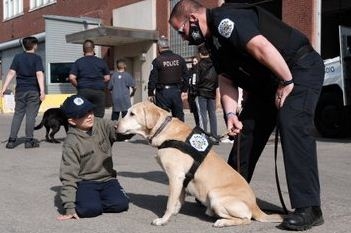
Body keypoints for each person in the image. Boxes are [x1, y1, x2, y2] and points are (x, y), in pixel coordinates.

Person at [169, 0, 324, 231]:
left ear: (192, 19)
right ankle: (226, 190)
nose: (182, 38)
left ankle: (309, 207)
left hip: (298, 68)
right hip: (268, 82)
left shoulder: (225, 20)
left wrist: (287, 80)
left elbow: (261, 47)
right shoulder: (212, 41)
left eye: (180, 31)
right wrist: (231, 113)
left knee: (291, 121)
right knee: (246, 130)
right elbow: (226, 78)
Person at [57, 95, 132, 220]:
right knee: (88, 210)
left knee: (121, 204)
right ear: (72, 121)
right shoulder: (71, 142)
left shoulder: (101, 123)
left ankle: (93, 201)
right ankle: (87, 202)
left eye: (90, 111)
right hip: (86, 182)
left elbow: (117, 129)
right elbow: (68, 175)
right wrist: (69, 206)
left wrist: (128, 127)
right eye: (82, 115)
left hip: (108, 179)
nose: (89, 116)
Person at [1, 36, 45, 149]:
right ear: (34, 45)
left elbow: (11, 73)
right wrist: (42, 90)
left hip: (20, 91)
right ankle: (29, 141)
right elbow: (39, 74)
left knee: (18, 115)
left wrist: (3, 88)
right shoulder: (37, 58)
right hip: (33, 91)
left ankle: (11, 141)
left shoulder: (18, 57)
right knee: (31, 116)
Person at [147, 35, 189, 121]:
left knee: (163, 119)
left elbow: (153, 79)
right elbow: (186, 76)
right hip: (176, 92)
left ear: (159, 47)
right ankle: (180, 133)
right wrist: (184, 90)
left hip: (163, 93)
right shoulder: (179, 59)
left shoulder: (157, 61)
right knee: (179, 118)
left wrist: (150, 93)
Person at [69, 40, 110, 118]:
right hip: (98, 91)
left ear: (83, 50)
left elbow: (72, 77)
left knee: (83, 115)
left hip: (83, 91)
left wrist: (78, 86)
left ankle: (85, 129)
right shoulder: (101, 62)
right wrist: (100, 82)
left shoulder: (78, 62)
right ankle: (96, 129)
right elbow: (107, 77)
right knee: (98, 117)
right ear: (93, 49)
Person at [195, 45, 219, 144]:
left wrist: (194, 91)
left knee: (202, 114)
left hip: (201, 92)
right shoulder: (215, 65)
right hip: (212, 92)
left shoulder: (199, 65)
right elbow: (217, 79)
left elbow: (195, 80)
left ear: (200, 54)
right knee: (212, 114)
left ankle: (203, 135)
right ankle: (214, 136)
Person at [188, 56, 200, 126]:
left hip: (197, 93)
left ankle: (200, 126)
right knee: (194, 111)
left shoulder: (199, 70)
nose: (194, 63)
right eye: (193, 62)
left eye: (195, 62)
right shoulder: (190, 71)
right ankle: (197, 125)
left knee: (199, 112)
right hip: (191, 93)